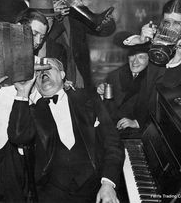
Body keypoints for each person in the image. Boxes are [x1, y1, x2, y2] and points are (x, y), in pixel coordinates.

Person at [8, 58, 124, 203]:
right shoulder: (32, 111)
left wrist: (108, 183)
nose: (43, 73)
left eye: (48, 68)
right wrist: (22, 92)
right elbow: (18, 137)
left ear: (62, 74)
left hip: (94, 189)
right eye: (38, 72)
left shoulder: (88, 99)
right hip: (50, 193)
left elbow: (113, 142)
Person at [0, 11, 54, 202]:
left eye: (42, 36)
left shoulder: (39, 65)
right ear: (20, 30)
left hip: (16, 148)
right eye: (34, 33)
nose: (37, 40)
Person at [123, 0, 181, 114]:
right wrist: (139, 39)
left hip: (174, 113)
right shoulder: (159, 33)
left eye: (177, 23)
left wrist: (178, 55)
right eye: (167, 22)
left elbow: (169, 84)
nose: (170, 28)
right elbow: (119, 39)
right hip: (147, 108)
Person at [36, 0, 116, 90]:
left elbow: (103, 30)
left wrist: (105, 20)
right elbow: (47, 42)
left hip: (81, 82)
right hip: (54, 84)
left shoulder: (74, 16)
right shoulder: (38, 23)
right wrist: (54, 16)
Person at [97, 42, 150, 138]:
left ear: (149, 59)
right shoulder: (114, 75)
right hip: (115, 130)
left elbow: (158, 112)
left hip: (140, 131)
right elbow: (107, 108)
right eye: (132, 56)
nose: (135, 62)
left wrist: (136, 122)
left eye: (141, 57)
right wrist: (101, 94)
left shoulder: (154, 79)